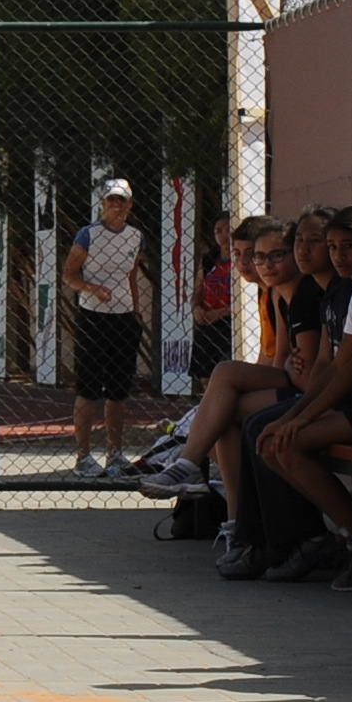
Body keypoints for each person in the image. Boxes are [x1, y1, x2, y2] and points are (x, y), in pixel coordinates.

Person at [245, 207, 352, 587]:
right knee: (272, 441)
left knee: (287, 444)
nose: (338, 255)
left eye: (348, 246)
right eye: (333, 247)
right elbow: (336, 366)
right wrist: (290, 417)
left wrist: (302, 419)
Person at [138, 214, 305, 507]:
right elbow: (267, 357)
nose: (244, 262)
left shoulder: (283, 291)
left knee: (225, 378)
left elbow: (281, 361)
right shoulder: (265, 291)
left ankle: (190, 464)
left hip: (300, 390)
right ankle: (236, 519)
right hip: (284, 381)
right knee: (220, 418)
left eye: (252, 254)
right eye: (237, 254)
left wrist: (253, 385)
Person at [63, 178, 153, 479]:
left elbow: (131, 276)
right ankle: (83, 456)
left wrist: (136, 309)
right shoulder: (88, 235)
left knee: (118, 390)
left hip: (123, 319)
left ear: (130, 204)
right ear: (103, 203)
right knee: (88, 388)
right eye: (111, 199)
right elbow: (69, 274)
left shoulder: (135, 237)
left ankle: (115, 452)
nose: (116, 204)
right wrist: (92, 288)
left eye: (121, 200)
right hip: (93, 317)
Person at [190, 210, 233, 386]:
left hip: (229, 322)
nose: (223, 235)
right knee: (205, 376)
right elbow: (197, 291)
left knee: (225, 373)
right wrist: (196, 308)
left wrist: (220, 313)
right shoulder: (209, 260)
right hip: (207, 322)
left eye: (228, 229)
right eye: (218, 231)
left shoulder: (241, 260)